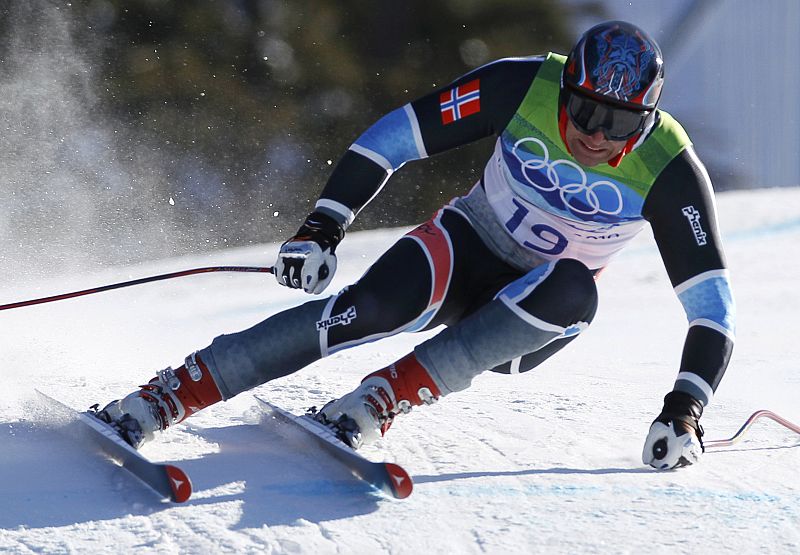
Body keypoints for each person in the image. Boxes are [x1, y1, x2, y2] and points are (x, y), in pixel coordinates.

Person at [99, 20, 735, 471]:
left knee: (575, 287)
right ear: (565, 88)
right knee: (367, 309)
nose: (596, 135)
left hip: (530, 314)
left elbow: (713, 309)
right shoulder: (522, 87)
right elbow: (395, 138)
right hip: (466, 245)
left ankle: (382, 398)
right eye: (586, 111)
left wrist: (684, 409)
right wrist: (325, 223)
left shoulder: (669, 168)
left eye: (619, 122)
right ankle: (170, 394)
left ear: (647, 121)